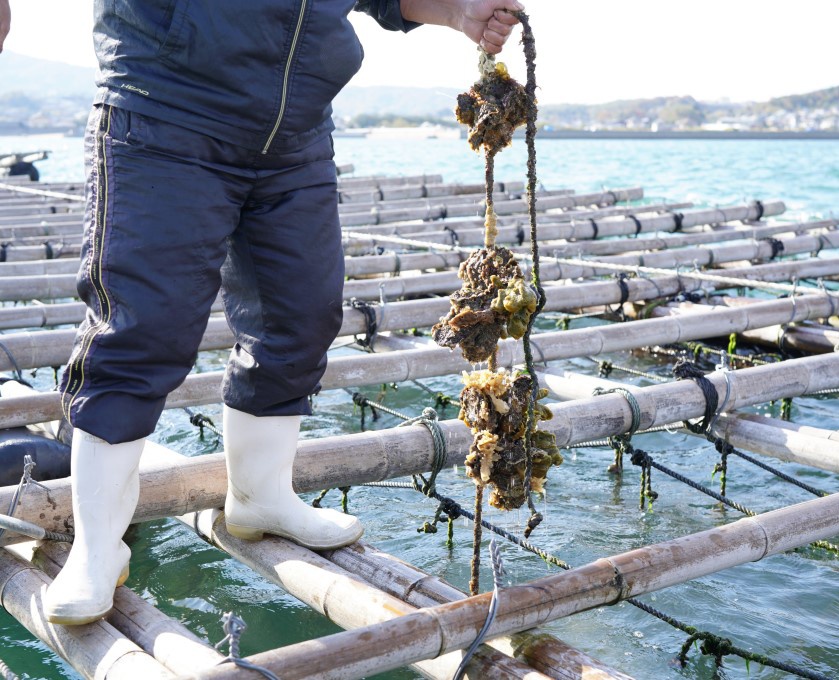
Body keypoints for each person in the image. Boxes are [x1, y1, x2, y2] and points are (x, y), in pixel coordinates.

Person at [0, 0, 522, 626]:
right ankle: (96, 546)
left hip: (297, 127)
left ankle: (259, 495)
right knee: (141, 325)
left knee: (301, 315)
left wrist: (458, 11)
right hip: (166, 104)